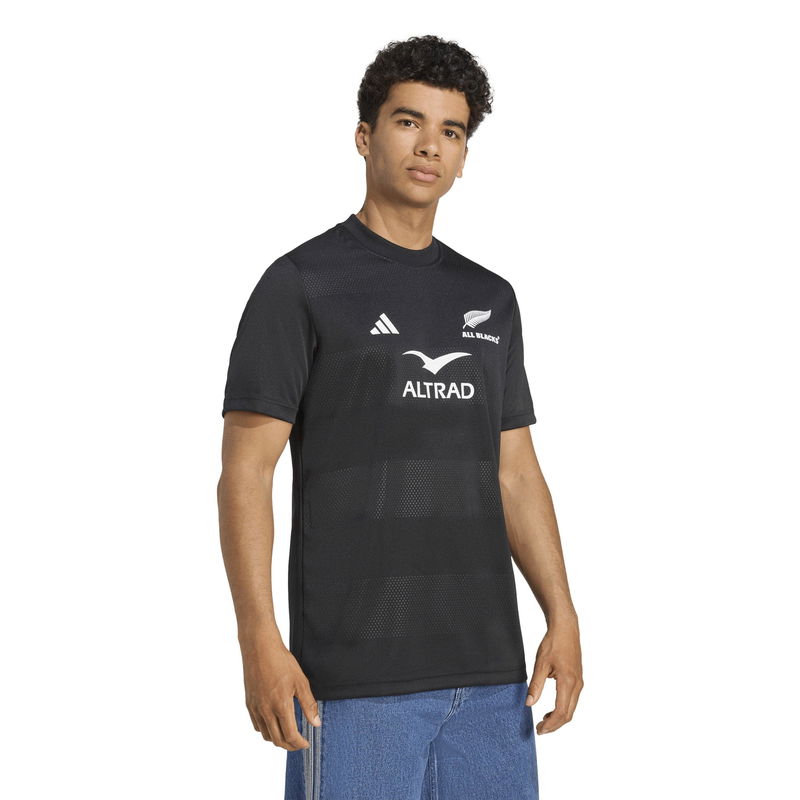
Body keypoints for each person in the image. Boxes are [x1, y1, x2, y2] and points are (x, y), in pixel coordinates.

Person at [217, 34, 583, 800]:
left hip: (493, 683)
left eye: (451, 131)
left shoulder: (491, 298)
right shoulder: (302, 284)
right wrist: (258, 639)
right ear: (365, 135)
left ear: (464, 155)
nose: (430, 146)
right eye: (408, 121)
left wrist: (562, 612)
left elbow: (516, 473)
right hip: (353, 686)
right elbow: (246, 472)